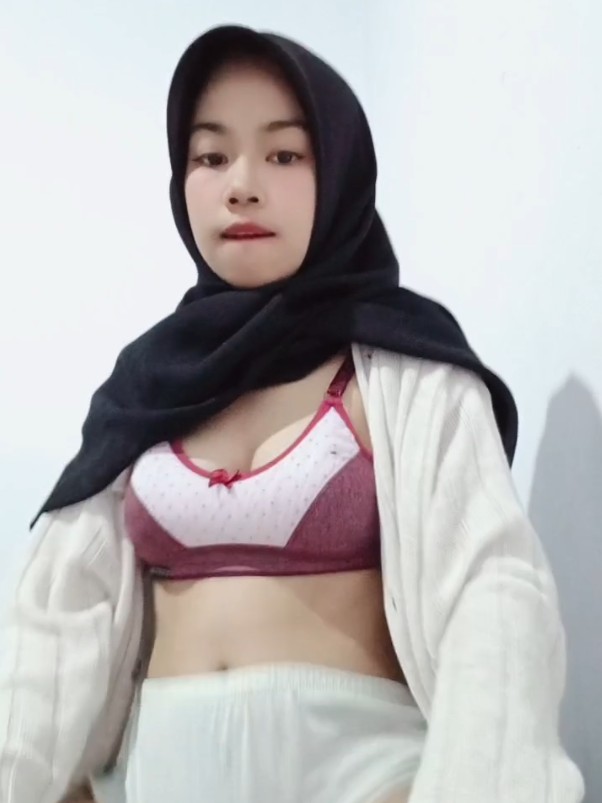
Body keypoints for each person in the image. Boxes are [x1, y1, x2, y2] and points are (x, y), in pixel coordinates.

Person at [0, 24, 584, 803]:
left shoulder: (409, 368)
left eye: (283, 154)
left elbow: (495, 595)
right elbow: (53, 623)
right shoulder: (144, 388)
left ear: (338, 173)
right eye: (211, 156)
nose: (242, 185)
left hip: (367, 781)